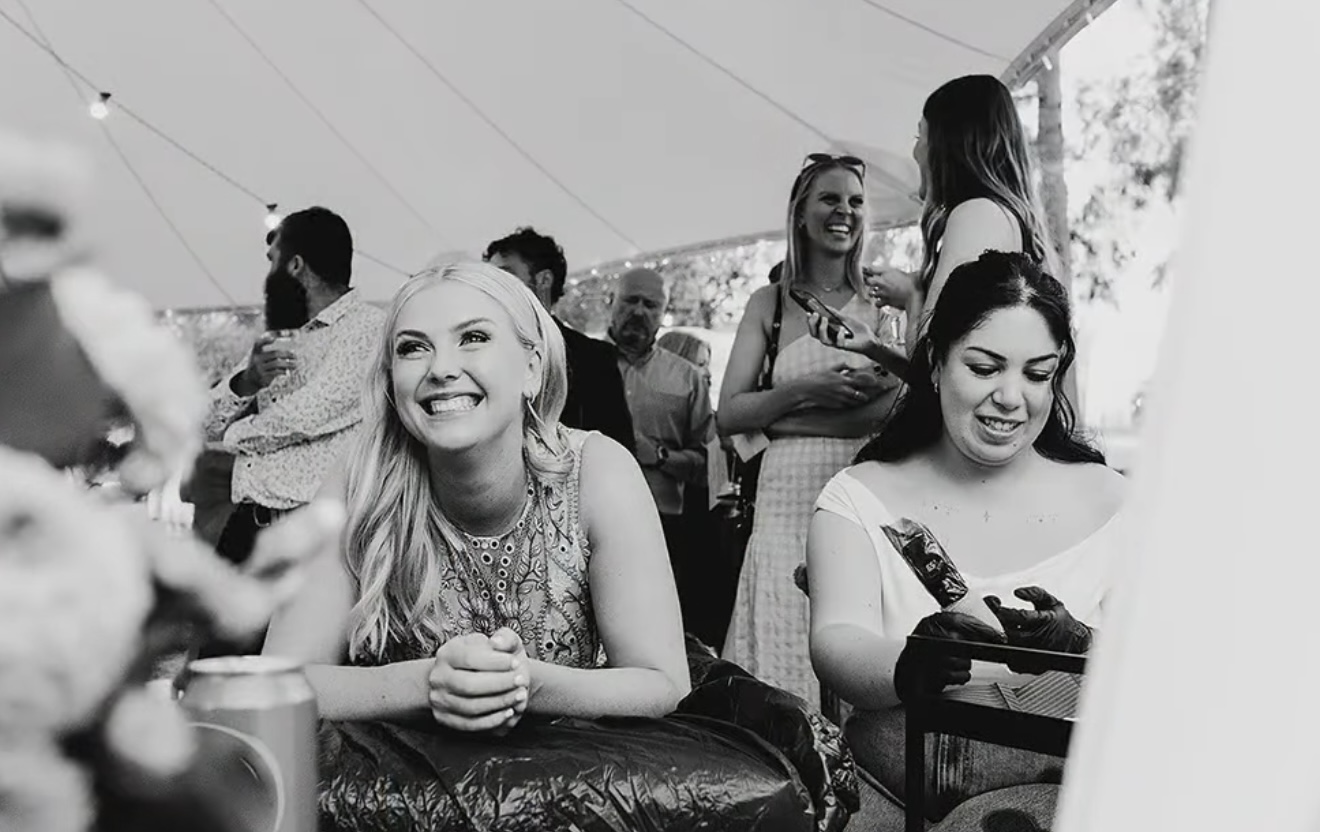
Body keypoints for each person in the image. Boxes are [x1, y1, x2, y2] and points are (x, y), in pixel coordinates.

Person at [262, 262, 689, 728]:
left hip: (579, 768)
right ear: (390, 378)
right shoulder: (359, 480)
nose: (441, 369)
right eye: (413, 348)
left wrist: (524, 684)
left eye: (474, 338)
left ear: (532, 368)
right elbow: (276, 683)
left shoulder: (597, 472)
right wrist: (425, 685)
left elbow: (663, 683)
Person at [806, 251, 1125, 822]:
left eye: (1037, 374)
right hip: (892, 790)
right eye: (984, 368)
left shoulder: (1113, 502)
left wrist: (1084, 646)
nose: (1011, 397)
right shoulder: (859, 496)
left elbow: (1170, 662)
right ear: (935, 362)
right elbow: (837, 637)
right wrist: (908, 664)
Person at [718, 154, 902, 705]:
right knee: (780, 630)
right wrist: (806, 390)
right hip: (782, 501)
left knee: (850, 622)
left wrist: (782, 422)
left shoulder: (883, 301)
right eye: (829, 198)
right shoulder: (768, 304)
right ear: (801, 212)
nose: (844, 210)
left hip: (857, 486)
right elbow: (730, 412)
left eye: (855, 201)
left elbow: (889, 411)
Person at [810, 76, 1056, 381]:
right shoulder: (996, 215)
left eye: (920, 136)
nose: (915, 151)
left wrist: (912, 295)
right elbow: (952, 380)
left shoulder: (976, 214)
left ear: (948, 145)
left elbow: (934, 365)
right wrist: (873, 347)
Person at [203, 206, 384, 566]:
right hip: (251, 522)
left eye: (273, 261)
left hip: (317, 534)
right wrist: (246, 382)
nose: (268, 275)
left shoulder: (369, 328)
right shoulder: (281, 335)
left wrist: (233, 436)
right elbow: (203, 421)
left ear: (295, 266)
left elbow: (308, 414)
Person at [607, 268, 715, 608]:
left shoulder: (687, 379)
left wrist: (661, 456)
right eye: (631, 300)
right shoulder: (575, 364)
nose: (639, 311)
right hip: (580, 520)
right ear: (611, 302)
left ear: (664, 312)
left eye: (650, 305)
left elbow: (708, 465)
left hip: (659, 523)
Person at [484, 227, 635, 454]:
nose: (494, 287)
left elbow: (617, 446)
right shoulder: (484, 349)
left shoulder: (593, 357)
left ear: (544, 280)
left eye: (505, 275)